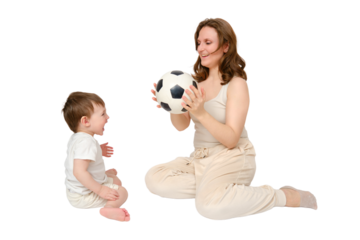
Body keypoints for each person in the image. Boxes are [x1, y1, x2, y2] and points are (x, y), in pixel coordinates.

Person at [147, 16, 318, 221]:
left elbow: (231, 139)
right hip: (201, 158)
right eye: (199, 43)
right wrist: (171, 107)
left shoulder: (236, 84)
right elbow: (181, 127)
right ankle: (217, 189)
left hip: (233, 156)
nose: (201, 49)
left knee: (207, 207)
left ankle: (282, 195)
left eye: (208, 43)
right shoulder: (192, 81)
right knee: (153, 178)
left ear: (226, 46)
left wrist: (201, 113)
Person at [61, 90, 131, 223]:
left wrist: (99, 151)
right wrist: (101, 190)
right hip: (83, 196)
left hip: (75, 191)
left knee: (115, 179)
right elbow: (79, 172)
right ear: (86, 121)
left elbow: (83, 161)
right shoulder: (87, 142)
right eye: (102, 114)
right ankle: (109, 209)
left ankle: (104, 177)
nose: (108, 117)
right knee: (122, 191)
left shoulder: (77, 137)